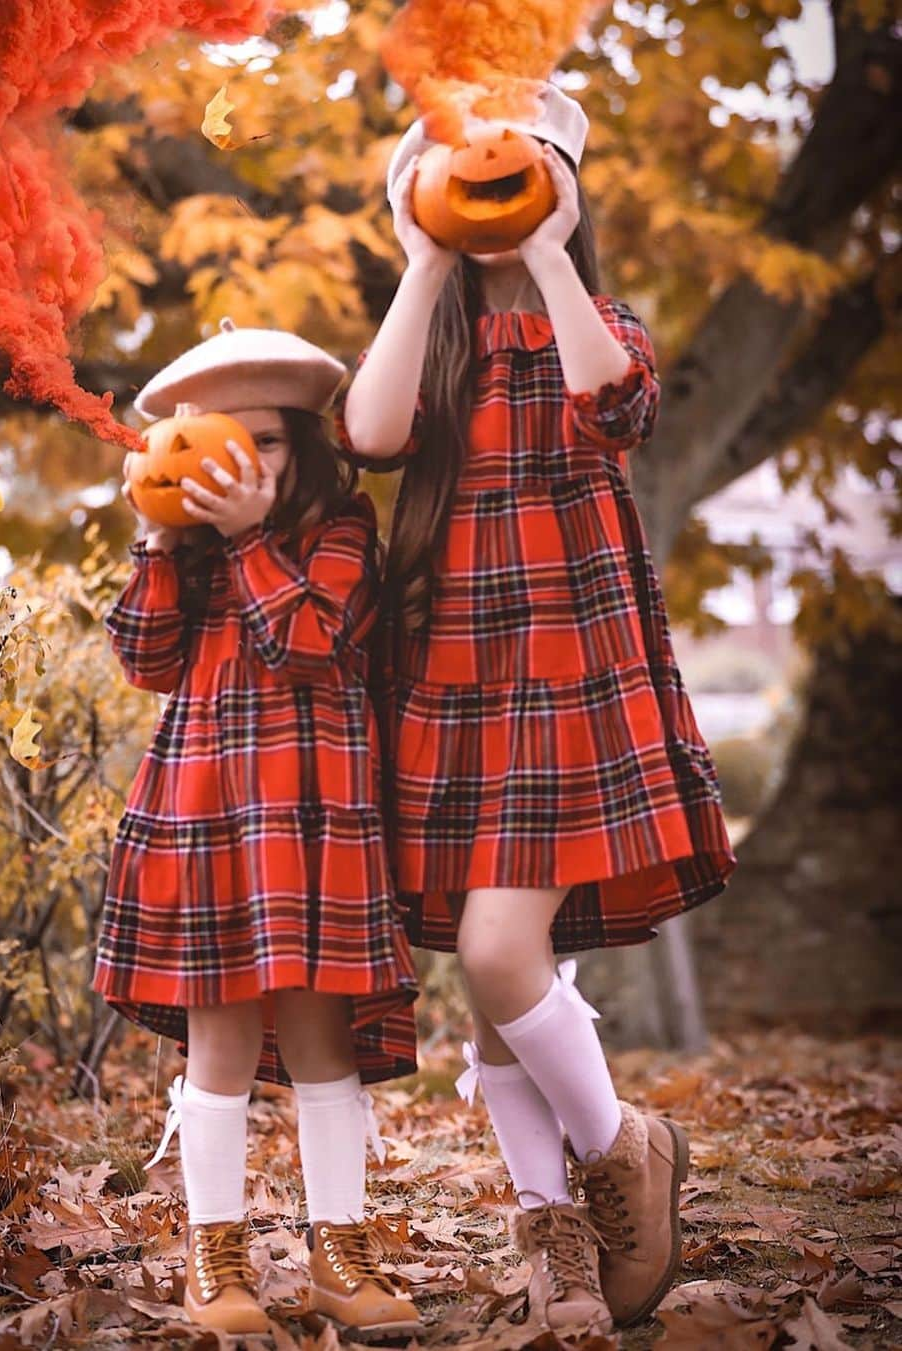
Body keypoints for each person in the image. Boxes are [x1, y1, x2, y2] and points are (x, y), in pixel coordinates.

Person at [339, 84, 736, 1336]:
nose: (494, 186)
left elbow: (616, 404)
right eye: (463, 174)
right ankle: (549, 1231)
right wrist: (420, 257)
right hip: (451, 667)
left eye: (524, 172)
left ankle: (624, 1152)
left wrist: (550, 255)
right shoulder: (437, 338)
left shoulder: (599, 320)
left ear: (565, 188)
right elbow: (369, 430)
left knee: (507, 957)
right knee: (498, 972)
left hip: (572, 661)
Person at [94, 321, 420, 1339]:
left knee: (325, 1041)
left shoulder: (342, 530)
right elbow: (143, 659)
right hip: (205, 812)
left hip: (314, 815)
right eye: (220, 437)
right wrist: (158, 537)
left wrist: (244, 538)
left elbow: (311, 639)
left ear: (309, 448)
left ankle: (340, 1250)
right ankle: (214, 1254)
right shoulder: (186, 549)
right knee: (220, 1041)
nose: (243, 460)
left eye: (269, 441)